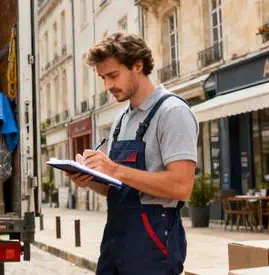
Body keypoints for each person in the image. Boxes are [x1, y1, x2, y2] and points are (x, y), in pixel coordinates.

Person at [68, 32, 198, 275]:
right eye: (102, 78)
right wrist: (89, 179)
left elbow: (182, 186)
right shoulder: (121, 118)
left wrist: (114, 168)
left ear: (138, 65)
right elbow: (119, 187)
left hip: (153, 239)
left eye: (113, 75)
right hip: (116, 237)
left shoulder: (173, 112)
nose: (107, 86)